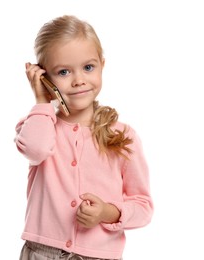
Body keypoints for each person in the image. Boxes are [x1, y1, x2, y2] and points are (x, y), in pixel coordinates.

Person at [15, 15, 153, 260]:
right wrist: (41, 100)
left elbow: (143, 206)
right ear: (45, 78)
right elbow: (35, 150)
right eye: (64, 72)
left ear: (102, 64)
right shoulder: (39, 123)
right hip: (41, 252)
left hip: (99, 255)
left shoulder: (123, 136)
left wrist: (107, 212)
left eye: (88, 67)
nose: (79, 80)